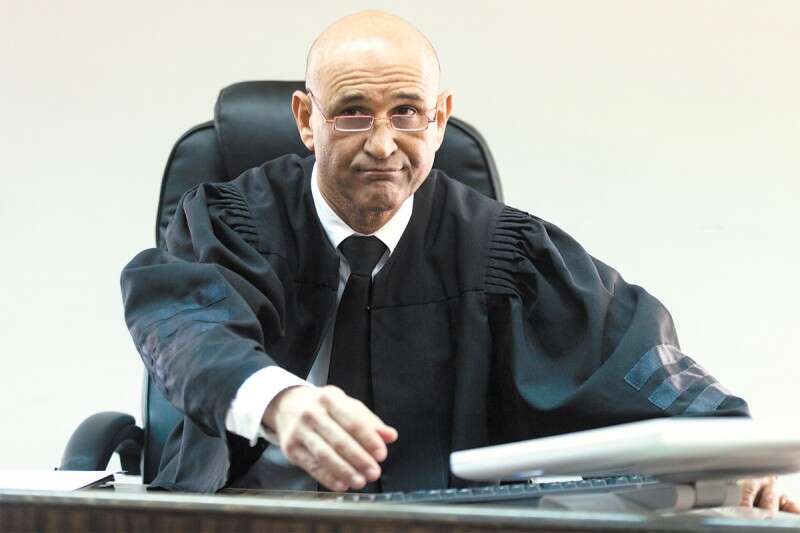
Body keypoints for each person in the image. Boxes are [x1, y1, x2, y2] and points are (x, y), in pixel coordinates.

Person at [121, 10, 797, 512]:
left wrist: (731, 447)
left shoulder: (505, 250)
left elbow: (630, 353)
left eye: (407, 112)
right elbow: (185, 327)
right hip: (249, 515)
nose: (382, 143)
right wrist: (278, 400)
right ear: (306, 118)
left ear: (440, 118)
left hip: (440, 523)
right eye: (352, 113)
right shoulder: (232, 220)